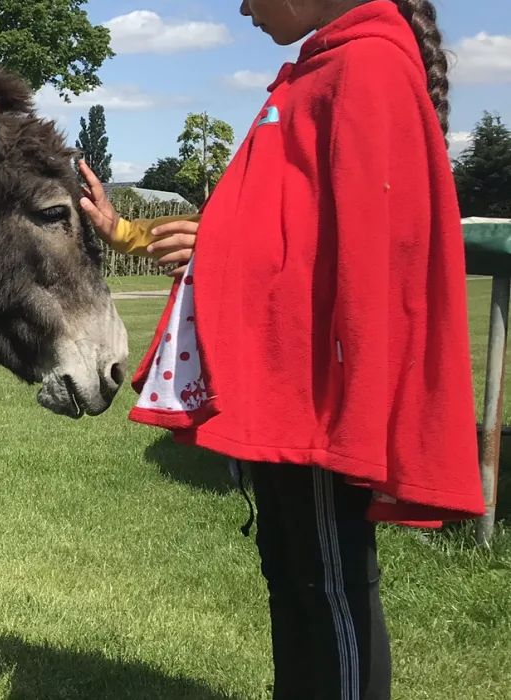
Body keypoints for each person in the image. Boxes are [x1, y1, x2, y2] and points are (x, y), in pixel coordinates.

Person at [77, 2, 485, 699]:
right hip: (280, 383)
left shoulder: (368, 68)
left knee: (329, 583)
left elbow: (363, 246)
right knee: (291, 573)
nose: (241, 6)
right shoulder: (312, 74)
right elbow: (263, 225)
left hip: (318, 391)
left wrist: (218, 244)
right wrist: (127, 233)